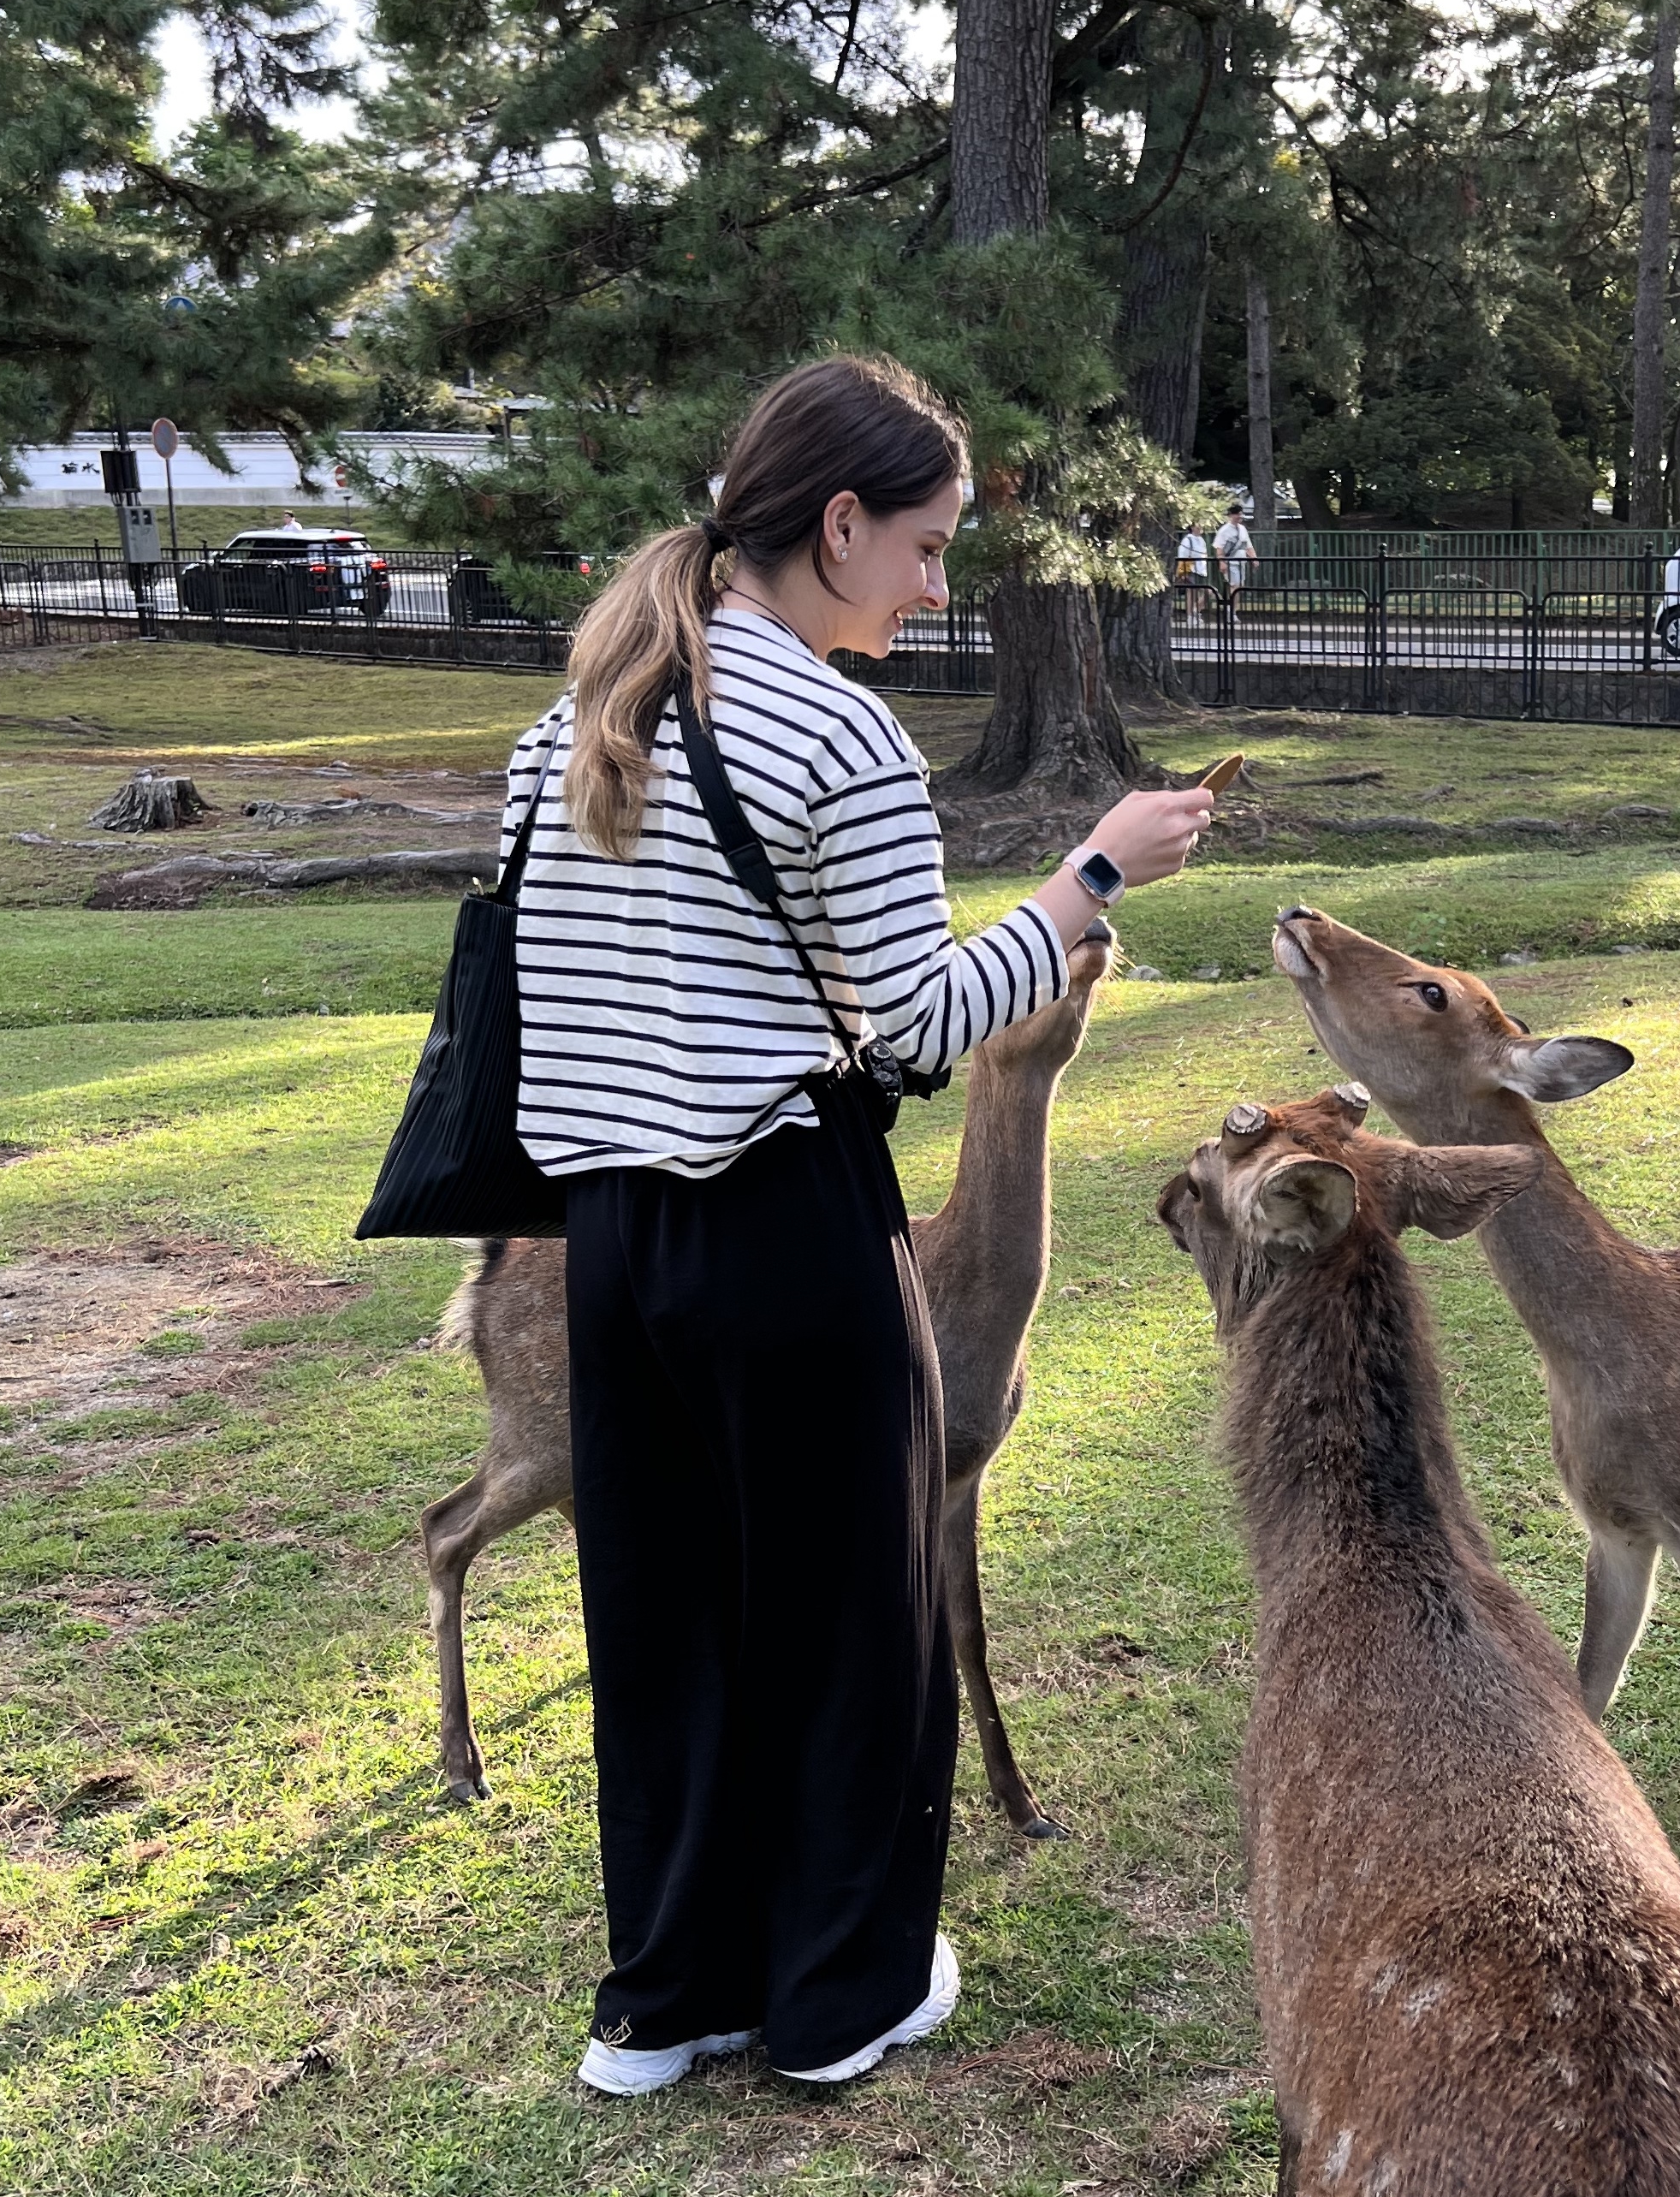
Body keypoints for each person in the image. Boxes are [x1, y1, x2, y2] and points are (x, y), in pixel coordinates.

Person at [498, 354, 1211, 2096]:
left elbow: (552, 999)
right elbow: (915, 1027)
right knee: (843, 1618)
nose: (937, 585)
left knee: (666, 1621)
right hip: (788, 1237)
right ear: (836, 523)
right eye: (927, 543)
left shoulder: (579, 716)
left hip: (615, 1249)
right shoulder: (836, 729)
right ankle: (837, 1996)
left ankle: (664, 2003)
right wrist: (1093, 873)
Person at [1214, 503, 1256, 603]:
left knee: (1240, 586)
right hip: (1231, 562)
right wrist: (1222, 562)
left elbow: (1248, 545)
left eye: (1240, 514)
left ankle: (1233, 610)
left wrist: (1254, 557)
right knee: (1234, 586)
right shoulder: (1224, 530)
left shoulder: (1242, 529)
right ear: (1231, 516)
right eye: (1237, 514)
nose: (1239, 516)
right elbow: (1219, 547)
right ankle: (1231, 612)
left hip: (1241, 561)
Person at [1174, 520, 1209, 620]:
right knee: (1192, 592)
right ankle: (1190, 616)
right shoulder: (1188, 540)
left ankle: (1195, 611)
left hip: (1201, 571)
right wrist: (1183, 572)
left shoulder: (1202, 540)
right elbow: (1183, 556)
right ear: (1192, 527)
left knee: (1208, 593)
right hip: (1191, 570)